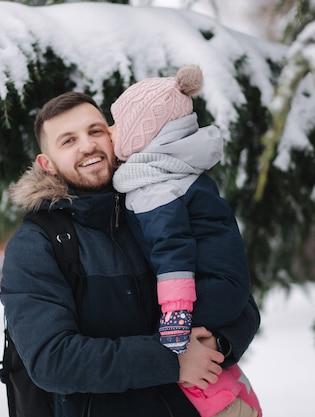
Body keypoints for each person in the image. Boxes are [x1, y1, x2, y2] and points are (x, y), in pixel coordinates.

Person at [0, 90, 260, 417]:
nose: (87, 145)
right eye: (68, 141)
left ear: (112, 136)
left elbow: (237, 298)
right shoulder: (38, 244)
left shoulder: (158, 203)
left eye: (95, 131)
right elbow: (52, 360)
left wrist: (217, 342)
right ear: (46, 164)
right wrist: (172, 359)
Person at [110, 65, 262, 417]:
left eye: (118, 124)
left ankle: (224, 401)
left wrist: (177, 312)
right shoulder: (174, 171)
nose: (110, 131)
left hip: (209, 290)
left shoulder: (158, 184)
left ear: (142, 134)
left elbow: (172, 250)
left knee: (173, 343)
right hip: (222, 287)